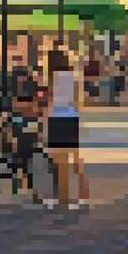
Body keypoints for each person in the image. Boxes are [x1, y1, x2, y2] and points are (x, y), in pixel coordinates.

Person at [45, 50, 91, 209]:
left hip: (56, 118)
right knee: (75, 157)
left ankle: (63, 198)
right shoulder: (73, 77)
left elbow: (49, 101)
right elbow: (79, 100)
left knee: (60, 161)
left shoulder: (51, 79)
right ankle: (83, 195)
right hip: (71, 117)